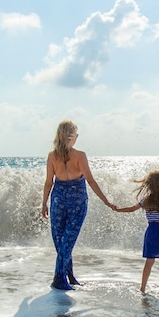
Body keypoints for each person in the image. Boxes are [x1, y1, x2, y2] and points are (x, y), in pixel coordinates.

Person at [41, 120, 115, 290]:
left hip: (58, 199)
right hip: (77, 200)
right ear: (73, 137)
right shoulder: (80, 155)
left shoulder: (52, 156)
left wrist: (44, 203)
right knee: (66, 241)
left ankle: (69, 276)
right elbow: (90, 180)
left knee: (62, 241)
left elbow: (48, 182)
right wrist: (106, 200)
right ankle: (59, 278)